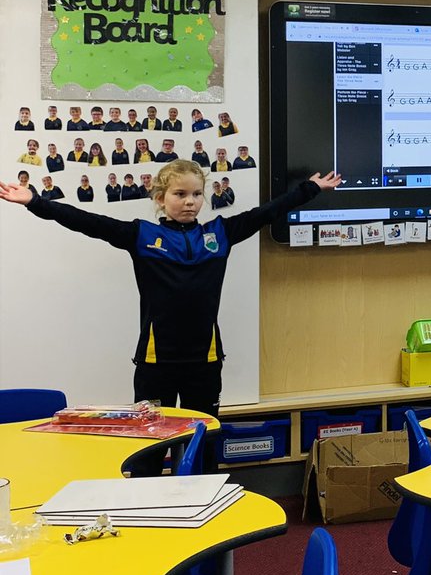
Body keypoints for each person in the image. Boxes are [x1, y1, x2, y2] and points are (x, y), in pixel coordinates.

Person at [0, 162, 341, 417]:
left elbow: (266, 213)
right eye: (180, 194)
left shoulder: (220, 233)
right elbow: (87, 222)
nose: (189, 201)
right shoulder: (141, 235)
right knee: (151, 440)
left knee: (203, 438)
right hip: (155, 361)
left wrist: (308, 189)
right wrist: (36, 202)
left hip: (205, 360)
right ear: (161, 199)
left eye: (196, 194)